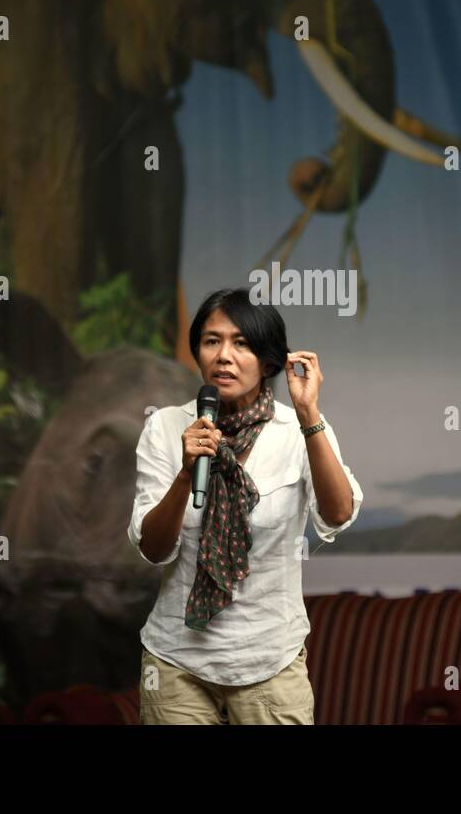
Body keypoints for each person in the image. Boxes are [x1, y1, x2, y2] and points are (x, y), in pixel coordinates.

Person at [128, 287, 363, 724]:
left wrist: (310, 412)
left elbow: (338, 514)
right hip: (177, 659)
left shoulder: (298, 429)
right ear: (197, 352)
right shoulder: (165, 427)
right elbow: (154, 548)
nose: (224, 356)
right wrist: (185, 473)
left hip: (269, 659)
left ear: (270, 361)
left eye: (242, 344)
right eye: (212, 341)